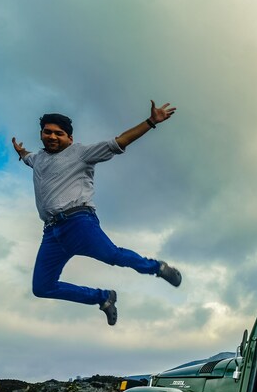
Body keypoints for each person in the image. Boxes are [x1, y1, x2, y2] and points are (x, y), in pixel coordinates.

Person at [11, 100, 182, 326]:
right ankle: (103, 297)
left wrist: (151, 122)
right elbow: (27, 158)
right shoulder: (38, 158)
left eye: (59, 134)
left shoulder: (81, 153)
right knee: (42, 287)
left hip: (78, 222)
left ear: (69, 138)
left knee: (113, 256)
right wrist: (21, 151)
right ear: (41, 134)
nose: (52, 137)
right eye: (47, 132)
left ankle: (158, 268)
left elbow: (120, 141)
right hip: (52, 233)